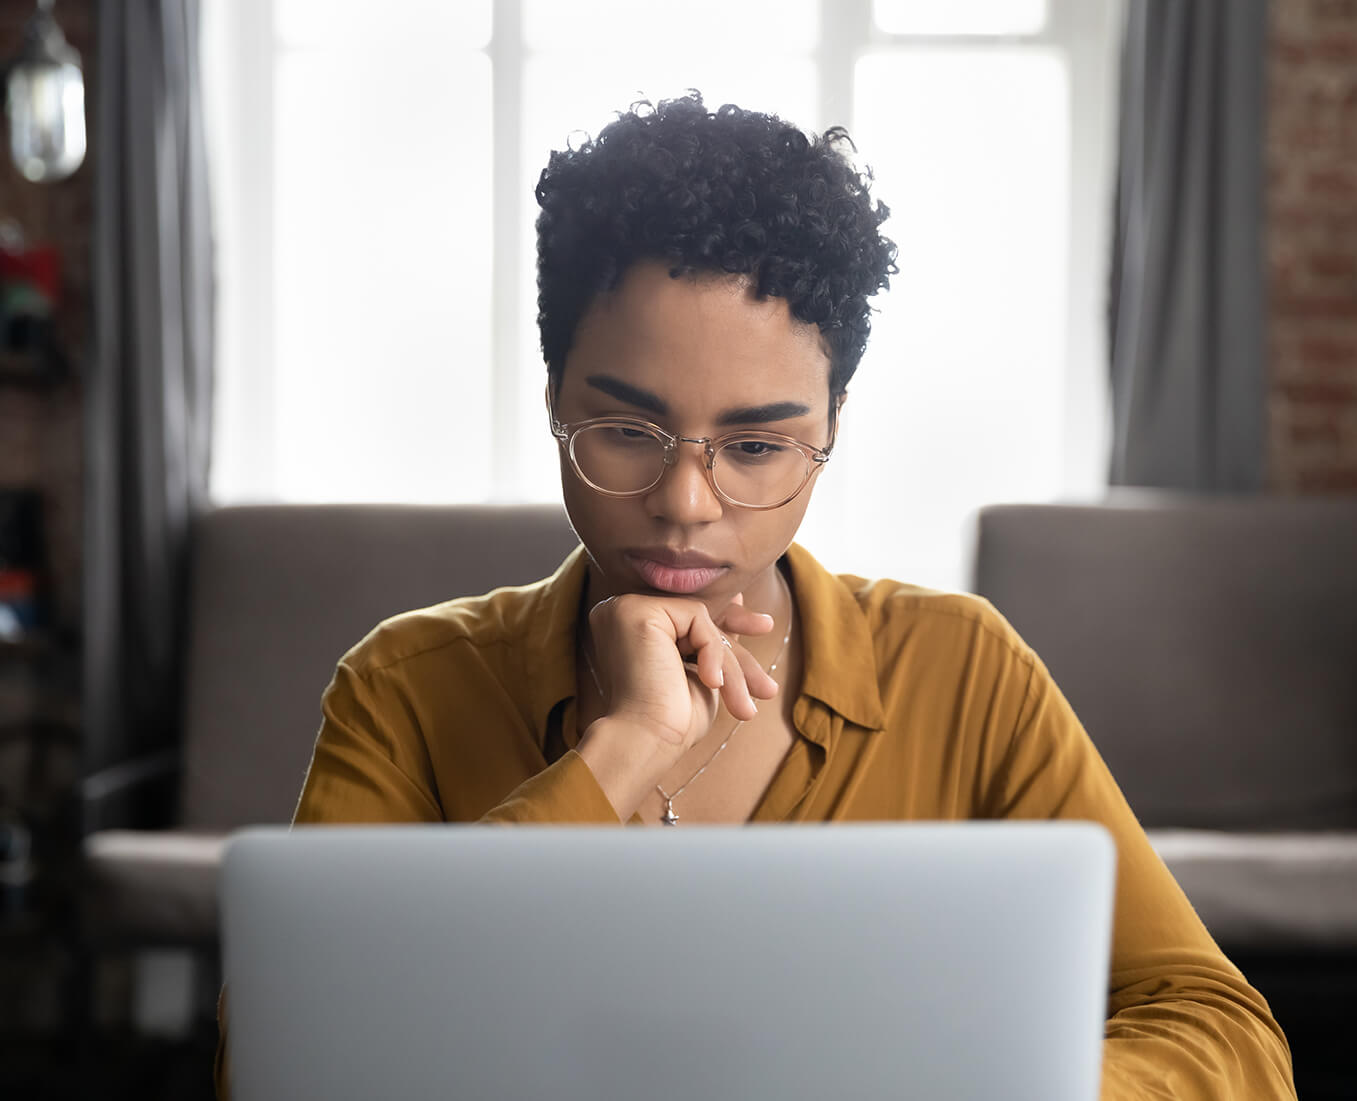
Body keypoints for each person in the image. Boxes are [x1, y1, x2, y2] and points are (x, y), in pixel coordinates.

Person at [215, 92, 1295, 1099]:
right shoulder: (404, 688)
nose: (687, 502)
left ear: (832, 430)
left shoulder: (963, 671)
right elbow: (286, 1064)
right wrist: (618, 752)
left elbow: (1223, 1032)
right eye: (629, 431)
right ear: (553, 398)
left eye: (758, 443)